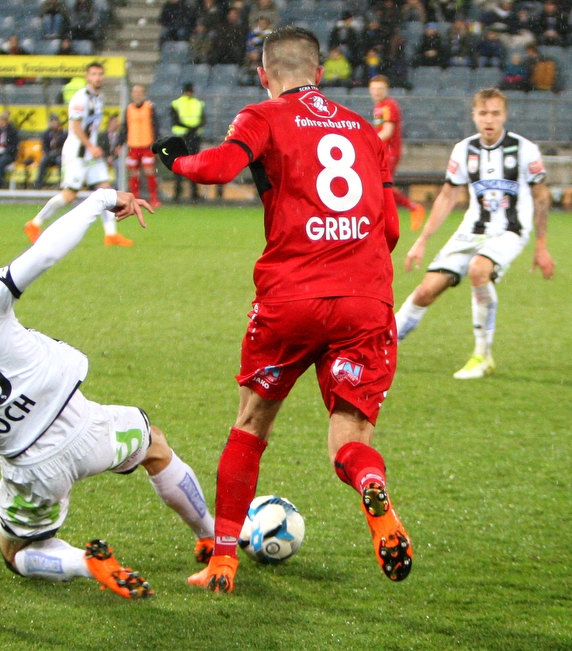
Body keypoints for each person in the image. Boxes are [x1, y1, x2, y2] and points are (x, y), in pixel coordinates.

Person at [151, 26, 412, 593]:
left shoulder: (264, 115)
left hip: (290, 298)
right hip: (364, 300)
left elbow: (219, 167)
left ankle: (222, 563)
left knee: (250, 424)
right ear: (320, 73)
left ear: (264, 74)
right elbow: (390, 226)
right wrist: (355, 271)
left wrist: (175, 160)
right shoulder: (365, 129)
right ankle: (373, 493)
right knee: (350, 438)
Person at [0, 189, 216, 606]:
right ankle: (211, 536)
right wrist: (100, 200)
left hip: (32, 471)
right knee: (155, 447)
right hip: (87, 426)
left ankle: (84, 563)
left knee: (17, 554)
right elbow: (45, 253)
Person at [394, 88, 555, 379]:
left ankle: (482, 355)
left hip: (510, 229)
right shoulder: (464, 150)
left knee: (478, 270)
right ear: (474, 116)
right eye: (483, 113)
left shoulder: (524, 149)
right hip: (471, 230)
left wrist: (541, 246)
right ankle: (383, 348)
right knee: (426, 290)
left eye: (495, 113)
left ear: (505, 115)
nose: (489, 120)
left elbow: (541, 196)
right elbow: (447, 196)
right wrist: (422, 240)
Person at [24, 62, 134, 247]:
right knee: (69, 196)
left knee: (107, 190)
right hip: (77, 153)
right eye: (94, 74)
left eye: (100, 74)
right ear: (87, 77)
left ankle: (111, 235)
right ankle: (34, 223)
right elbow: (75, 127)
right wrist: (91, 146)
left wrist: (93, 147)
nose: (97, 77)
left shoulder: (99, 98)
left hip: (91, 154)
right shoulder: (80, 98)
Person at [369, 75, 426, 230]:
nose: (376, 92)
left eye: (380, 89)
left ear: (386, 89)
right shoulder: (380, 106)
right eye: (374, 89)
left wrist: (368, 143)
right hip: (382, 151)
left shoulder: (388, 106)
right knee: (378, 185)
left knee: (380, 185)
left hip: (389, 152)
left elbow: (387, 131)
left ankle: (412, 208)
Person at [118, 84, 162, 207]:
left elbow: (156, 126)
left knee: (149, 171)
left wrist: (157, 143)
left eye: (139, 92)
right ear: (131, 94)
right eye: (134, 92)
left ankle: (154, 198)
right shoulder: (128, 109)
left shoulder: (149, 107)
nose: (137, 94)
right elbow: (124, 128)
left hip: (147, 145)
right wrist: (120, 144)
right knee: (133, 173)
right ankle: (134, 198)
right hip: (133, 146)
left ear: (143, 94)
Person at [169, 82, 205, 202]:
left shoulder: (198, 104)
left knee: (193, 166)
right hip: (181, 137)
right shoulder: (177, 103)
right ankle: (179, 193)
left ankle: (192, 193)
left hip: (192, 137)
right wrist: (192, 129)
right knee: (182, 165)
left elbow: (203, 120)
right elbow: (175, 120)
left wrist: (191, 129)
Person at [34, 114, 68, 189]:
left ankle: (62, 183)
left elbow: (64, 147)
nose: (53, 123)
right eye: (52, 122)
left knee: (60, 161)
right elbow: (44, 147)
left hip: (59, 154)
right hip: (49, 155)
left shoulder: (63, 133)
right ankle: (39, 184)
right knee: (43, 160)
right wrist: (47, 153)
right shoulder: (46, 134)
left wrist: (57, 153)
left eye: (55, 121)